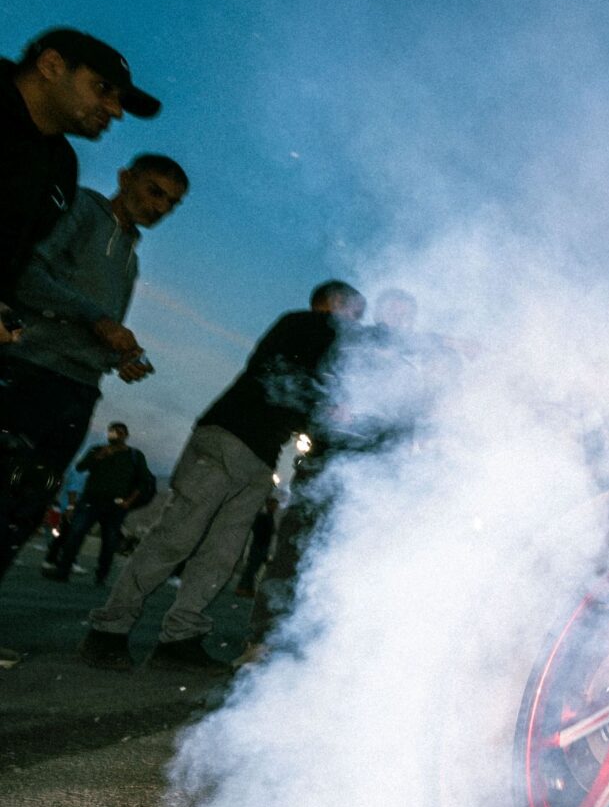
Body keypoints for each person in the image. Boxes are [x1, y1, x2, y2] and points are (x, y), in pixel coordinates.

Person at [80, 280, 367, 671]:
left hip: (261, 456)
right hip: (228, 438)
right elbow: (279, 375)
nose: (357, 323)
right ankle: (108, 631)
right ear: (334, 303)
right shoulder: (306, 324)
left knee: (222, 553)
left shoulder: (318, 342)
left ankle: (180, 639)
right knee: (176, 536)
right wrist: (329, 404)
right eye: (355, 312)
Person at [0, 153, 188, 583]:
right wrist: (98, 320)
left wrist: (119, 358)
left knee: (24, 512)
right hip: (32, 372)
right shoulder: (83, 208)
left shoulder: (131, 258)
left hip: (80, 391)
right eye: (154, 192)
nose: (160, 207)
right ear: (125, 178)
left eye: (171, 203)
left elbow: (98, 327)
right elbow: (30, 275)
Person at [1, 28, 160, 331]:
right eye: (103, 88)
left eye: (120, 99)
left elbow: (17, 263)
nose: (116, 111)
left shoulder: (61, 167)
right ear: (51, 65)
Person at [47, 422, 154, 584]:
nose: (115, 435)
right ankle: (63, 571)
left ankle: (101, 575)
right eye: (112, 432)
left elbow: (143, 481)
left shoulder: (134, 456)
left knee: (109, 541)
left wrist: (129, 501)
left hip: (115, 505)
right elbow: (80, 467)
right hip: (90, 501)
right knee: (75, 534)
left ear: (126, 435)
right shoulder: (97, 450)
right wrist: (98, 456)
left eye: (119, 432)